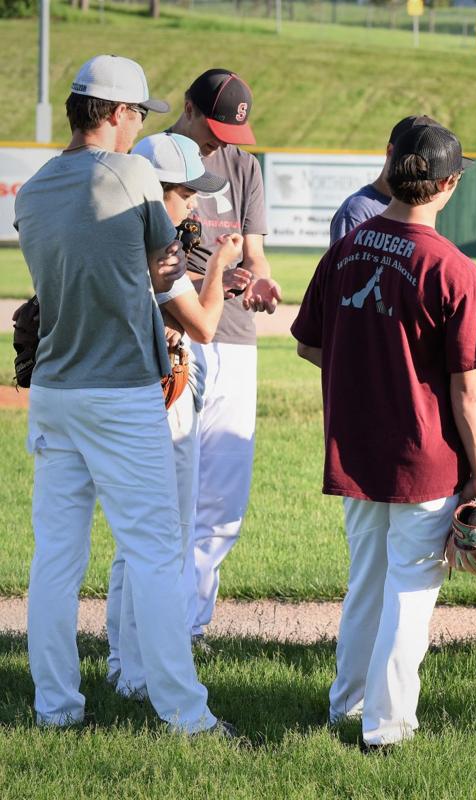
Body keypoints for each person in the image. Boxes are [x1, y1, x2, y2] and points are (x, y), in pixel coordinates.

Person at [14, 54, 227, 735]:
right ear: (113, 113)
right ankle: (185, 714)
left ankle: (55, 706)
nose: (138, 125)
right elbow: (166, 276)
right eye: (137, 112)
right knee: (156, 552)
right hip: (120, 390)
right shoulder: (134, 174)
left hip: (53, 387)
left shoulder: (33, 188)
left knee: (55, 558)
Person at [292, 123, 476, 748]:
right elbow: (470, 388)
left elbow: (309, 343)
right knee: (411, 584)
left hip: (356, 445)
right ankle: (387, 727)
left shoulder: (348, 247)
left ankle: (347, 707)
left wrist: (368, 368)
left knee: (367, 580)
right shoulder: (452, 267)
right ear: (448, 184)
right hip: (423, 456)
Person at [105, 132, 251, 698]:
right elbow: (206, 326)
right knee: (167, 537)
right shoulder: (158, 245)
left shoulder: (114, 232)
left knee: (134, 540)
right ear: (157, 190)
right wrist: (218, 265)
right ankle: (144, 674)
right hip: (163, 398)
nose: (194, 204)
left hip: (124, 392)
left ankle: (123, 664)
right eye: (186, 193)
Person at [167, 68, 282, 647]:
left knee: (223, 497)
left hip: (234, 338)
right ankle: (147, 629)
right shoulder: (157, 161)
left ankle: (190, 626)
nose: (217, 142)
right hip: (176, 335)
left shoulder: (243, 167)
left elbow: (256, 253)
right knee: (172, 494)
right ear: (186, 107)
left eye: (227, 133)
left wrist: (260, 282)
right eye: (211, 127)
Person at [329, 114, 440, 243]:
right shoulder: (357, 211)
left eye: (425, 162)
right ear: (390, 151)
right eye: (411, 157)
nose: (416, 166)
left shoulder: (422, 208)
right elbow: (344, 263)